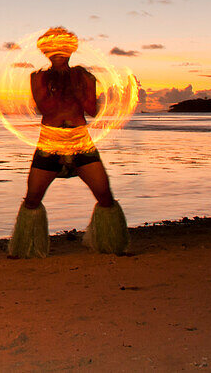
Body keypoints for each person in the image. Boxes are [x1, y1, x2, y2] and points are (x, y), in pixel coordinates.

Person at [7, 27, 129, 258]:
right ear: (47, 53)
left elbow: (92, 111)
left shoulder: (84, 76)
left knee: (104, 195)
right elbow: (45, 108)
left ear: (70, 50)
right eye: (54, 50)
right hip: (50, 142)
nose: (58, 54)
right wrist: (63, 86)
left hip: (80, 141)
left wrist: (80, 86)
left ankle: (112, 244)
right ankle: (27, 248)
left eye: (62, 49)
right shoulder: (38, 77)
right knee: (32, 199)